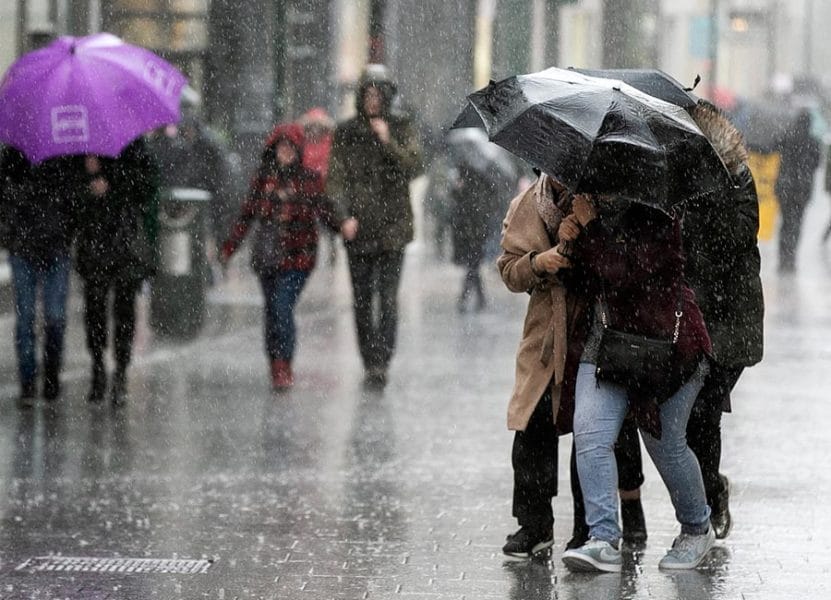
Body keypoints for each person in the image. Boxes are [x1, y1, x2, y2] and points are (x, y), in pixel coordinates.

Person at [567, 99, 765, 547]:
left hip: (725, 317)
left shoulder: (732, 175)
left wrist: (700, 199)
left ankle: (709, 496)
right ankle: (648, 517)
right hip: (672, 315)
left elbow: (737, 236)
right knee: (667, 423)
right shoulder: (662, 183)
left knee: (701, 417)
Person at [560, 195, 714, 573]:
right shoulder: (589, 207)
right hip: (609, 346)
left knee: (664, 443)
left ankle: (697, 527)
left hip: (667, 350)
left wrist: (591, 228)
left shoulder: (660, 212)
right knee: (591, 432)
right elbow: (584, 279)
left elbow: (623, 271)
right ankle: (603, 538)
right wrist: (569, 241)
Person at [219, 123, 348, 391]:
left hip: (298, 258)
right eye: (282, 147)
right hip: (268, 258)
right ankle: (274, 362)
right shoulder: (263, 179)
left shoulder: (308, 180)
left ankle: (284, 364)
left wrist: (343, 226)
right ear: (274, 149)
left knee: (282, 307)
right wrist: (229, 248)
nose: (286, 152)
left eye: (291, 147)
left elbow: (324, 210)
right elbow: (247, 215)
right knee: (272, 312)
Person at [326, 64, 423, 388]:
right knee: (363, 300)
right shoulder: (346, 132)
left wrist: (388, 141)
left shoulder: (401, 126)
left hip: (393, 228)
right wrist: (343, 218)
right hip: (359, 229)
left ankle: (383, 359)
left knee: (389, 299)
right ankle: (369, 359)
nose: (372, 100)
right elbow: (336, 179)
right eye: (366, 94)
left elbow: (414, 166)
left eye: (377, 94)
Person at [497, 174, 574, 559]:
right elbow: (509, 270)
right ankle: (534, 523)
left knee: (593, 437)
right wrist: (539, 263)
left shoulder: (600, 199)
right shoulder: (529, 203)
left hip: (589, 328)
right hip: (544, 333)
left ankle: (593, 528)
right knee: (531, 428)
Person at [75, 138, 160, 406]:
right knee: (95, 307)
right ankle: (98, 366)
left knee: (124, 309)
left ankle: (121, 371)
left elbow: (146, 186)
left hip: (125, 240)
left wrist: (111, 182)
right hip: (93, 240)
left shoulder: (133, 144)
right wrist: (89, 178)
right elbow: (69, 193)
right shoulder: (81, 144)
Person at [0, 147, 81, 407]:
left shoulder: (65, 153)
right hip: (23, 247)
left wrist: (65, 230)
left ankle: (51, 375)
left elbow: (74, 199)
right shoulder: (13, 155)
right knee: (25, 319)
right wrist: (11, 232)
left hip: (56, 247)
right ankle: (27, 381)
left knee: (55, 317)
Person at [775, 108, 820, 273]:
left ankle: (782, 258)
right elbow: (816, 165)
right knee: (796, 224)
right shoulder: (814, 142)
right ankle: (791, 259)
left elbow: (773, 146)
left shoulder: (788, 136)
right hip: (802, 190)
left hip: (785, 188)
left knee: (785, 223)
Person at [297, 107, 338, 266]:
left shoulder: (329, 141)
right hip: (307, 189)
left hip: (324, 188)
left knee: (328, 221)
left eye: (318, 126)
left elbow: (331, 162)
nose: (315, 130)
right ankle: (308, 250)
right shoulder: (303, 142)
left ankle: (331, 248)